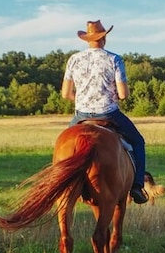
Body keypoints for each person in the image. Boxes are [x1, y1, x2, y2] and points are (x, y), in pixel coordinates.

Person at [61, 20, 149, 204]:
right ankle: (137, 187)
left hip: (81, 116)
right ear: (104, 38)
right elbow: (123, 94)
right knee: (138, 142)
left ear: (87, 39)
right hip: (108, 113)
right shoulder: (114, 59)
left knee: (63, 147)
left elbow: (65, 94)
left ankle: (62, 185)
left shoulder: (74, 59)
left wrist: (82, 98)